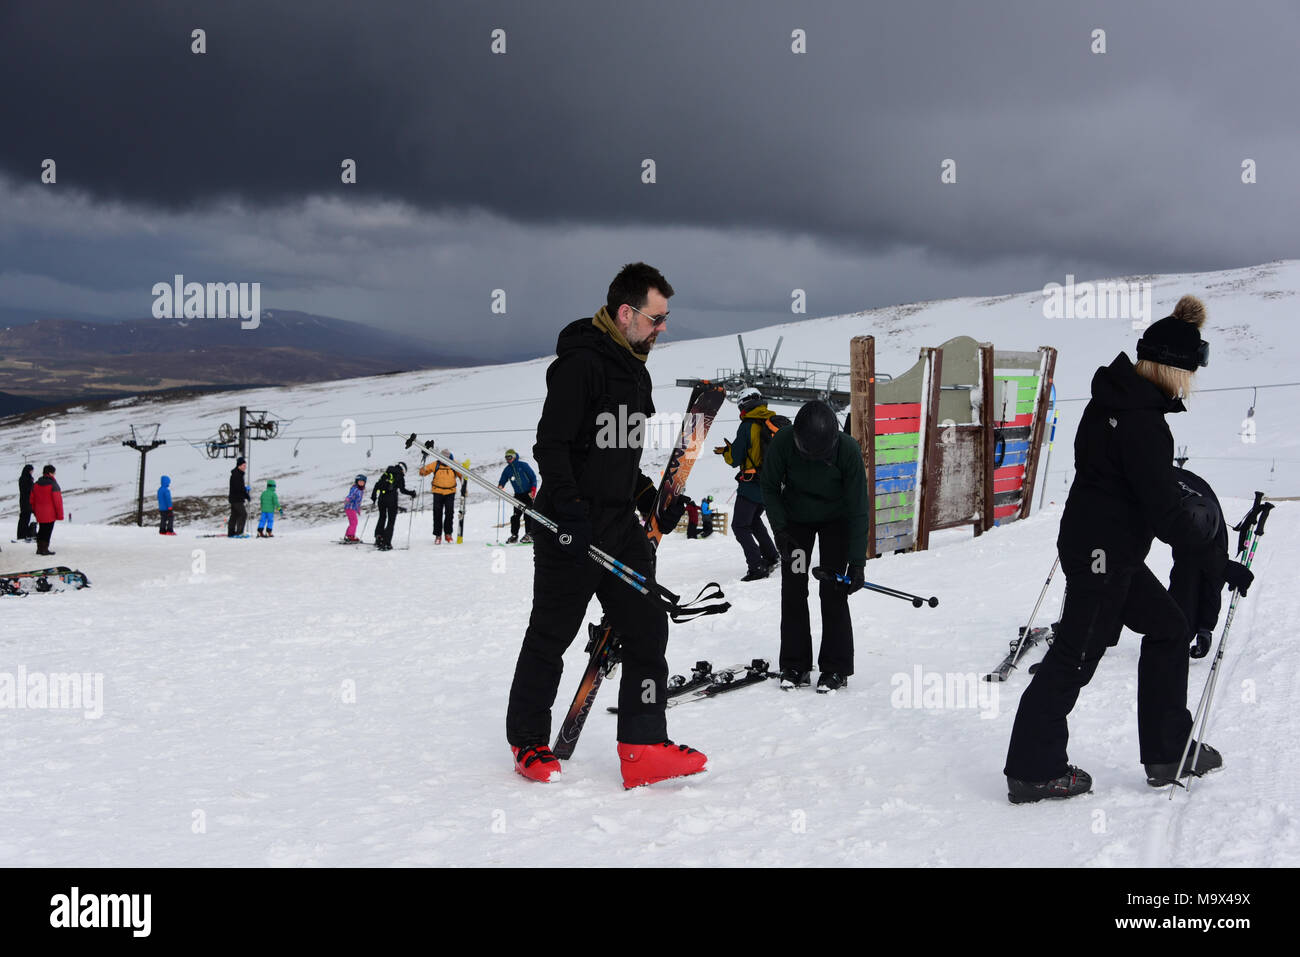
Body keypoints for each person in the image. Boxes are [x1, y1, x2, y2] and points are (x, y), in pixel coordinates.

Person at [1002, 296, 1252, 803]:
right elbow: (1165, 514)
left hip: (1102, 549)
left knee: (1168, 627)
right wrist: (1217, 562)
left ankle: (1167, 751)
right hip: (1103, 557)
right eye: (1189, 373)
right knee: (1076, 657)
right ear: (1172, 368)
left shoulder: (1112, 403)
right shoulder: (1141, 423)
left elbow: (1135, 492)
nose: (1191, 385)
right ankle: (1033, 768)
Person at [506, 261, 699, 788]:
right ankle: (528, 742)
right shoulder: (581, 365)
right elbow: (553, 446)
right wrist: (567, 515)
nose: (663, 329)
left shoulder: (635, 368)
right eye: (657, 319)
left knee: (646, 628)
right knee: (551, 635)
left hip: (617, 525)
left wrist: (648, 497)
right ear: (626, 312)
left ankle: (642, 745)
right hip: (571, 527)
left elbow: (615, 454)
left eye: (664, 319)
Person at [760, 400, 869, 693]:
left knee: (833, 590)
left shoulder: (848, 451)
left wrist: (857, 562)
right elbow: (768, 486)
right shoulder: (783, 442)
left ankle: (836, 668)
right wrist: (780, 530)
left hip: (837, 523)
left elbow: (859, 508)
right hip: (796, 526)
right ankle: (795, 664)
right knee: (794, 587)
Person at [716, 387, 782, 580]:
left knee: (739, 526)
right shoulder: (771, 422)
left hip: (751, 484)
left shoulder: (747, 426)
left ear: (743, 405)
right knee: (753, 521)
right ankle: (771, 556)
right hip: (770, 484)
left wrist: (726, 452)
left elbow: (735, 459)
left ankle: (756, 566)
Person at [371, 461, 415, 551]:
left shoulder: (387, 473)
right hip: (391, 500)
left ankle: (379, 537)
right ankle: (386, 543)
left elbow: (377, 485)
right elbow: (402, 490)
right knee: (391, 520)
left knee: (382, 517)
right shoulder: (399, 475)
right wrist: (412, 493)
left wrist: (374, 497)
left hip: (381, 499)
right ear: (403, 469)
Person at [497, 450, 537, 544]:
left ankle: (529, 534)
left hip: (528, 494)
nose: (508, 459)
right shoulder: (507, 469)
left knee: (528, 515)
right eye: (506, 458)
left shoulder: (523, 465)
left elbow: (533, 477)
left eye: (509, 457)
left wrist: (533, 490)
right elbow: (503, 479)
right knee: (515, 516)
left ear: (514, 457)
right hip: (518, 495)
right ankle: (514, 536)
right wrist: (500, 485)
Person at [420, 451, 459, 544]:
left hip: (450, 492)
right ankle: (438, 536)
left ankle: (448, 534)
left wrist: (465, 488)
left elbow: (463, 475)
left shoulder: (454, 465)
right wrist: (423, 469)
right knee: (437, 514)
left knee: (449, 513)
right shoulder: (435, 464)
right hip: (437, 492)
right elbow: (424, 471)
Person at [30, 464, 64, 557]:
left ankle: (39, 548)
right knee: (47, 531)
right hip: (50, 513)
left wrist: (35, 510)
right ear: (50, 473)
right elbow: (57, 501)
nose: (54, 474)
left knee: (41, 529)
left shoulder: (36, 484)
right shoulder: (53, 484)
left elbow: (32, 499)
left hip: (39, 512)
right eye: (54, 472)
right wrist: (59, 515)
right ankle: (44, 549)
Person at [228, 457, 250, 537]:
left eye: (245, 465)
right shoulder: (237, 475)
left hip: (235, 498)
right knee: (243, 514)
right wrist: (246, 494)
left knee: (234, 515)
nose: (245, 467)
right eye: (244, 465)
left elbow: (239, 487)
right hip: (237, 498)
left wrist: (245, 492)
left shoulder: (238, 474)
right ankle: (239, 532)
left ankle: (231, 532)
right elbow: (238, 488)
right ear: (239, 466)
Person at [344, 474, 366, 542]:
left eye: (363, 482)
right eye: (360, 481)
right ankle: (350, 536)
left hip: (353, 508)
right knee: (354, 522)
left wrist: (358, 509)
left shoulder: (361, 490)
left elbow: (358, 501)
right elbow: (351, 495)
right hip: (350, 507)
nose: (361, 483)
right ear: (357, 482)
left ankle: (348, 535)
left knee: (353, 522)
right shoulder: (355, 488)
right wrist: (347, 499)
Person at [17, 464, 35, 541]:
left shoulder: (23, 478)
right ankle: (22, 535)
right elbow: (28, 489)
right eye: (31, 471)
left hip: (24, 501)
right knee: (24, 519)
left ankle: (23, 534)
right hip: (26, 501)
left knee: (24, 519)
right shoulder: (26, 479)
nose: (32, 472)